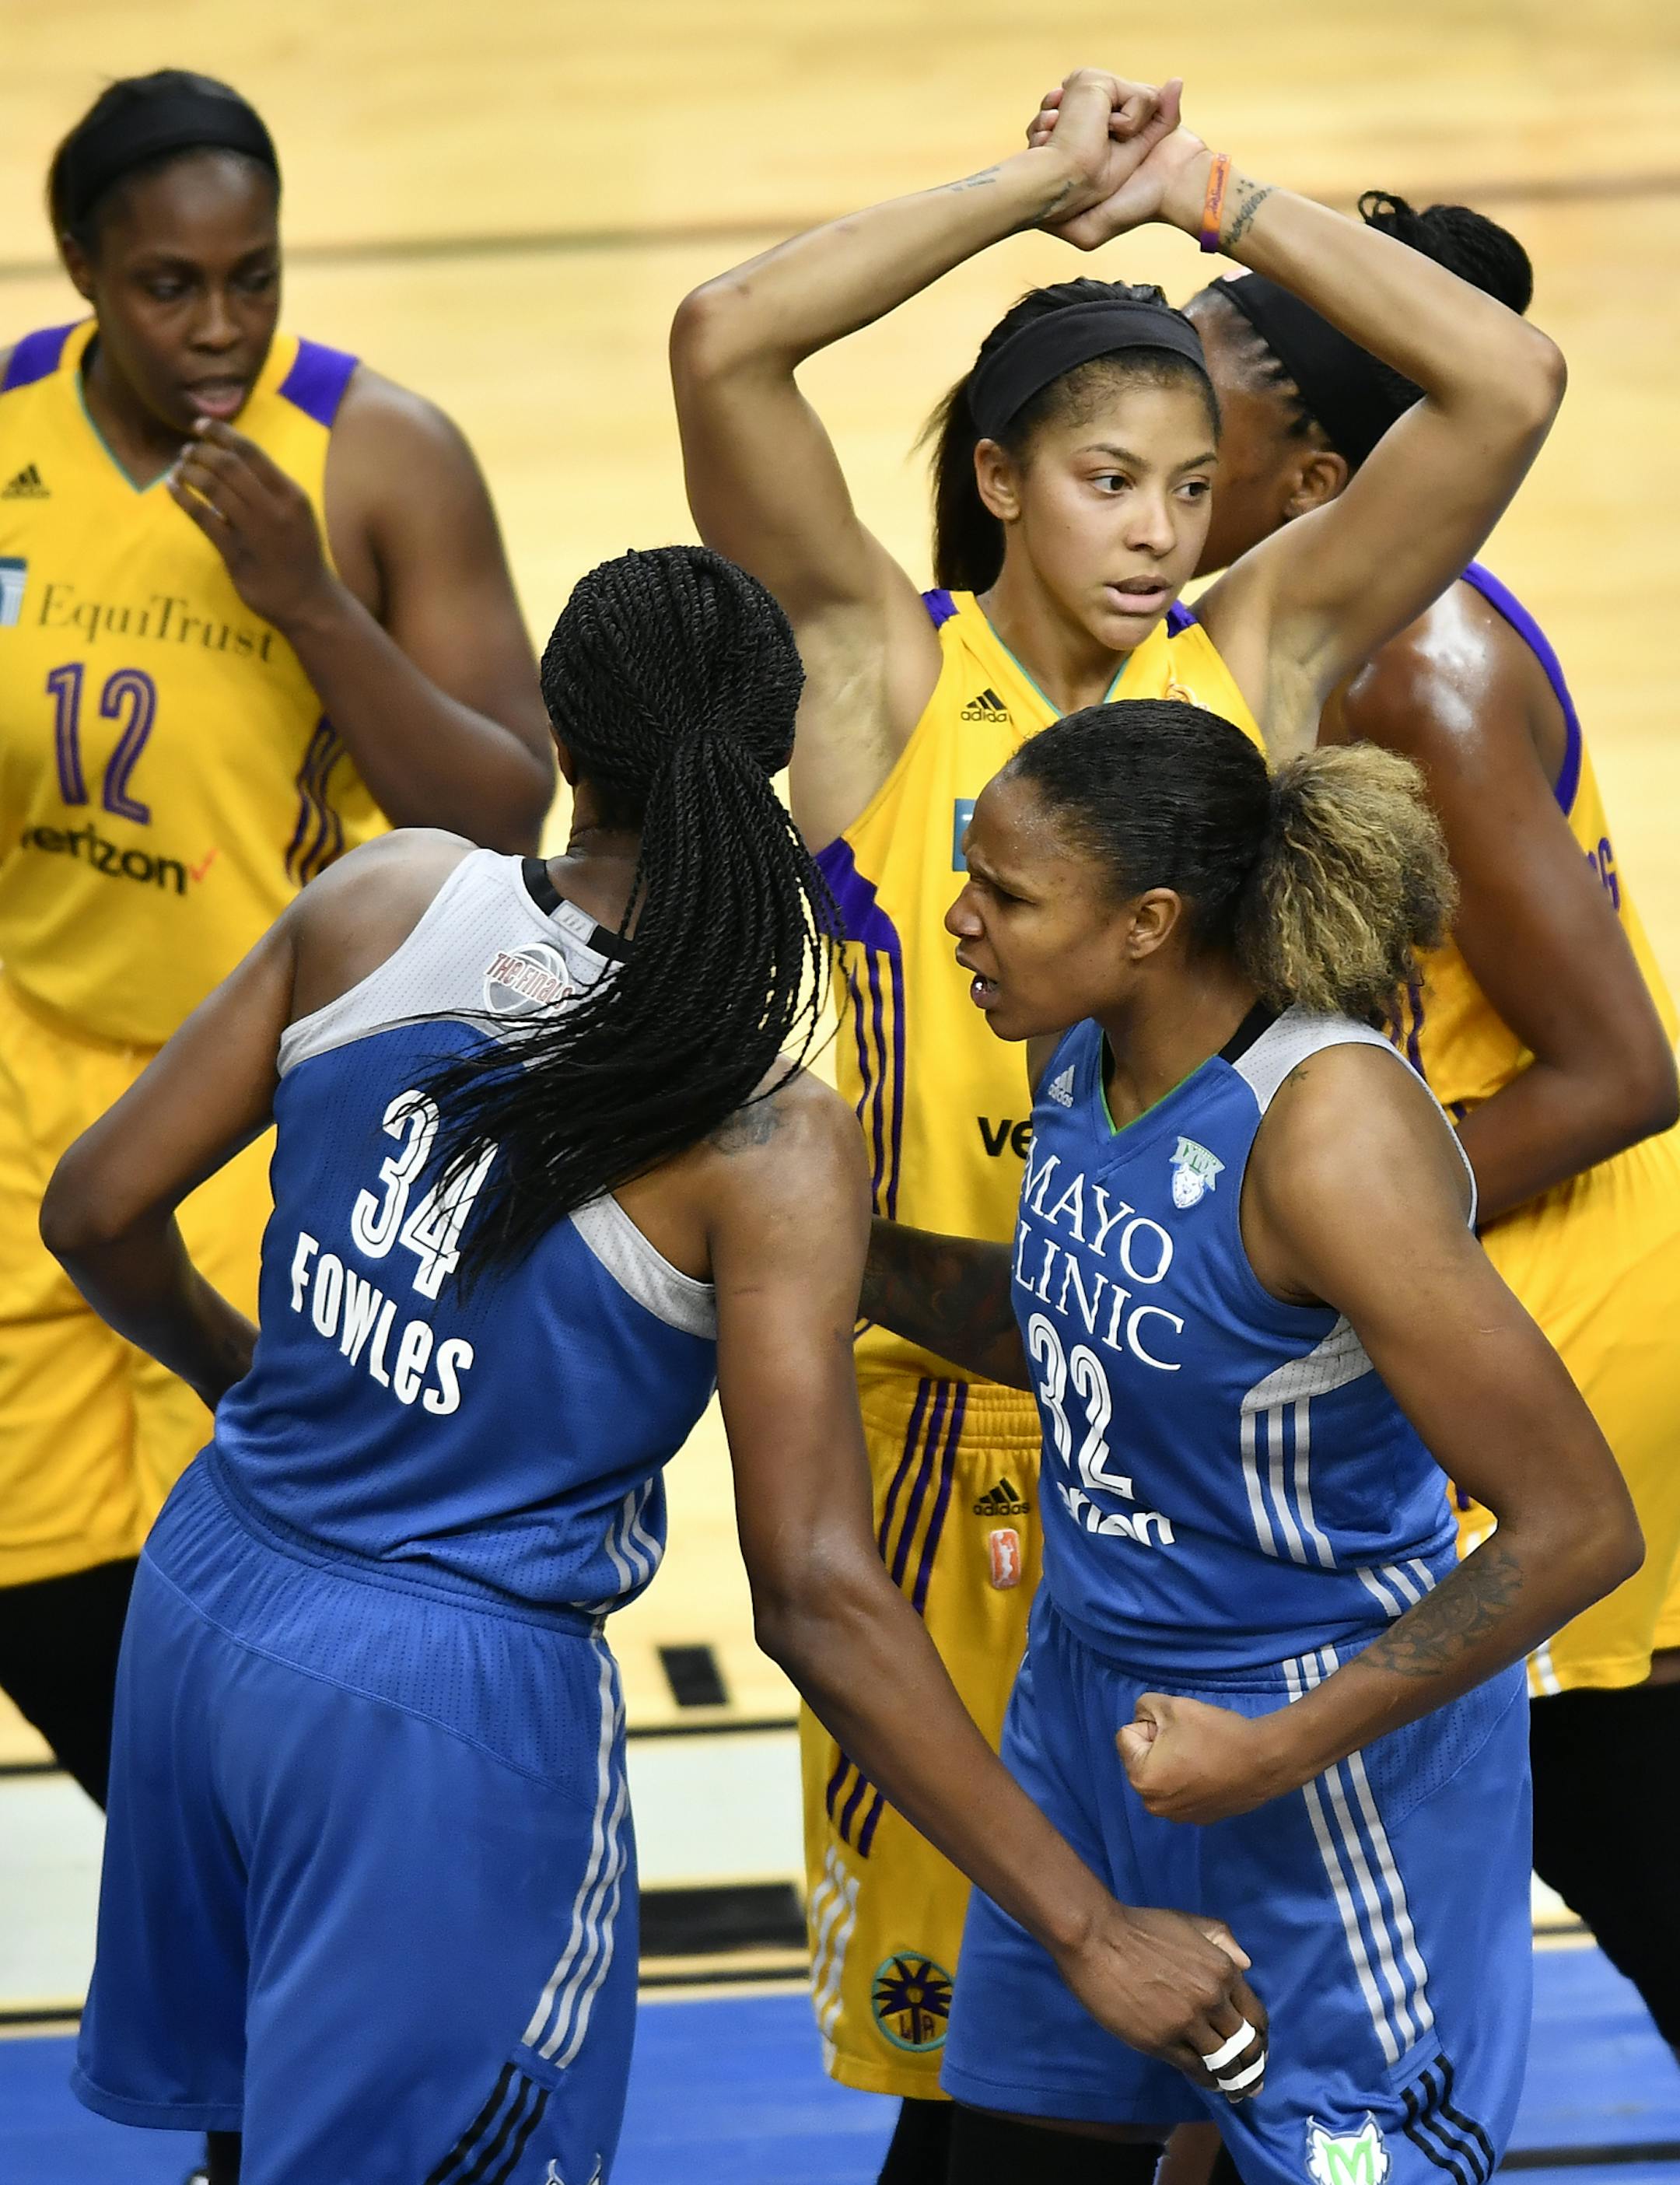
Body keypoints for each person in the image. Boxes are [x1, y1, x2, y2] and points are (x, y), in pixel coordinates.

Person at [41, 548, 1271, 2185]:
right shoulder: (763, 1126)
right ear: (773, 751)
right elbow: (820, 1591)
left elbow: (98, 1210)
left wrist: (244, 1375)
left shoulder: (382, 897)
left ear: (561, 735)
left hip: (207, 1602)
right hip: (439, 1712)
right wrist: (1088, 1921)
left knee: (253, 2140)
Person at [671, 63, 1564, 2174]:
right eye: (1103, 479)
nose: (1160, 532)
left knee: (1223, 2076)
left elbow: (1509, 386)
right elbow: (726, 339)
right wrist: (1044, 191)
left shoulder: (1252, 655)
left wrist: (1217, 193)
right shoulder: (877, 673)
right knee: (984, 2098)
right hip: (942, 1455)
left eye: (1188, 485)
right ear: (998, 479)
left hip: (1201, 1485)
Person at [859, 698, 1641, 2185]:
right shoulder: (1080, 1058)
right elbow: (1084, 1327)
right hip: (1089, 1713)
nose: (960, 918)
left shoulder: (1327, 1134)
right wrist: (860, 1257)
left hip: (1313, 1749)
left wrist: (1273, 1747)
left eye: (1007, 894)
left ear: (1150, 921)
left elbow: (1580, 1524)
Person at [0, 68, 555, 1805]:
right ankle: (222, 1921)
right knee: (33, 1581)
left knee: (253, 1607)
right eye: (173, 285)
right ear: (82, 262)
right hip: (25, 1073)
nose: (221, 326)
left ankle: (260, 1983)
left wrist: (308, 600)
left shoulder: (380, 455)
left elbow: (510, 811)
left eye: (257, 275)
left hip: (260, 1104)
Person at [1181, 193, 1680, 2064]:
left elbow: (1620, 1065)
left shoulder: (1418, 670)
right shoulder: (1275, 637)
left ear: (1314, 471)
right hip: (1448, 1306)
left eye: (1194, 408)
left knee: (1595, 1835)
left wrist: (1322, 1220)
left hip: (1559, 1323)